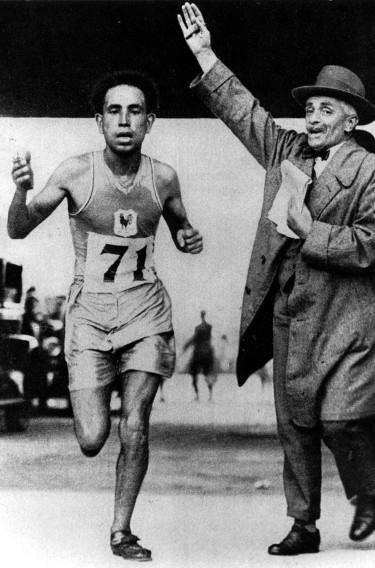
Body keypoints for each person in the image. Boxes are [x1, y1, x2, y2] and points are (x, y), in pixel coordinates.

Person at [178, 2, 375, 555]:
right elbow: (246, 113)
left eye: (326, 109)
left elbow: (371, 243)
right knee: (294, 423)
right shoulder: (286, 150)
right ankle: (304, 525)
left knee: (339, 421)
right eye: (310, 107)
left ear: (351, 120)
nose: (312, 118)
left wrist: (312, 230)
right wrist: (205, 54)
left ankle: (369, 491)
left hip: (346, 319)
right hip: (287, 308)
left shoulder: (369, 170)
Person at [8, 68, 203, 562]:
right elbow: (19, 230)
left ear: (150, 121)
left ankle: (122, 532)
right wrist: (21, 192)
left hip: (146, 314)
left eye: (134, 111)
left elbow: (181, 225)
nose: (124, 120)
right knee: (93, 439)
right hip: (90, 317)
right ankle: (99, 385)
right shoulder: (76, 173)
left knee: (134, 424)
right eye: (113, 111)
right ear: (99, 121)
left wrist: (187, 237)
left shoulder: (162, 178)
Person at [183, 310, 216, 401]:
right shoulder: (209, 327)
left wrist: (185, 346)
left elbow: (194, 338)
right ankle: (210, 395)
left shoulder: (197, 328)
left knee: (193, 372)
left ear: (200, 316)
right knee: (208, 373)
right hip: (208, 352)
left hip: (198, 353)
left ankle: (197, 396)